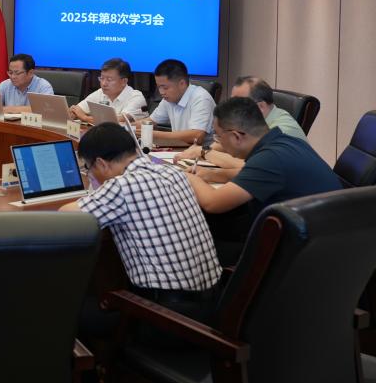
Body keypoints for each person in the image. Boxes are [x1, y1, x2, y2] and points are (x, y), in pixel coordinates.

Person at [60, 123, 221, 342]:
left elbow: (66, 217)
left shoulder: (121, 186)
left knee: (66, 312)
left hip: (167, 319)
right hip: (211, 309)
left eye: (88, 169)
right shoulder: (173, 172)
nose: (91, 175)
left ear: (101, 163)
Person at [184, 97, 341, 222]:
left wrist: (185, 177)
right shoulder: (285, 141)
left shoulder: (269, 159)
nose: (217, 142)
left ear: (236, 136)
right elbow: (255, 176)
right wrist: (212, 175)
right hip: (330, 229)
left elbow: (212, 203)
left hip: (306, 243)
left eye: (218, 136)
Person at [178, 76, 308, 183]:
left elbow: (253, 167)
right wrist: (202, 150)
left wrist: (205, 153)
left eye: (239, 103)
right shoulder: (254, 124)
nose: (231, 109)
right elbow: (225, 145)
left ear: (261, 107)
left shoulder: (282, 131)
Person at [145, 59, 215, 145]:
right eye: (159, 87)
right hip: (180, 149)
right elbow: (150, 121)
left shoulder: (201, 98)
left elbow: (197, 136)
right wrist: (130, 127)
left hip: (203, 151)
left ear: (182, 83)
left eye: (165, 87)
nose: (161, 92)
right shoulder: (168, 99)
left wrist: (153, 134)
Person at [70, 57, 147, 123]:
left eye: (109, 79)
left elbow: (118, 121)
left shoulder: (136, 97)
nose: (104, 83)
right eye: (102, 78)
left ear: (124, 81)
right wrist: (74, 112)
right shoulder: (100, 92)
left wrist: (85, 118)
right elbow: (75, 110)